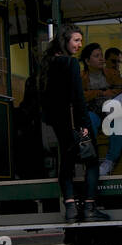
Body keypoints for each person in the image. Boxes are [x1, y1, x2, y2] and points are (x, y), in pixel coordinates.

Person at [41, 26, 107, 223]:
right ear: (65, 40)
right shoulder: (70, 63)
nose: (79, 45)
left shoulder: (47, 64)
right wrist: (85, 126)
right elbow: (78, 99)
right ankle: (89, 207)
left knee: (67, 164)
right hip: (78, 124)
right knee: (92, 161)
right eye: (76, 40)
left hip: (60, 125)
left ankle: (70, 208)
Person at [81, 42, 122, 177]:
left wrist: (108, 93)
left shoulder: (112, 73)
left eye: (101, 55)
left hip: (110, 111)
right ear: (87, 61)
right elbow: (79, 96)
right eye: (96, 56)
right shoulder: (81, 76)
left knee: (119, 124)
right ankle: (91, 160)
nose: (101, 59)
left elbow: (121, 89)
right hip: (92, 111)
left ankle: (109, 161)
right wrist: (100, 93)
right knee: (88, 122)